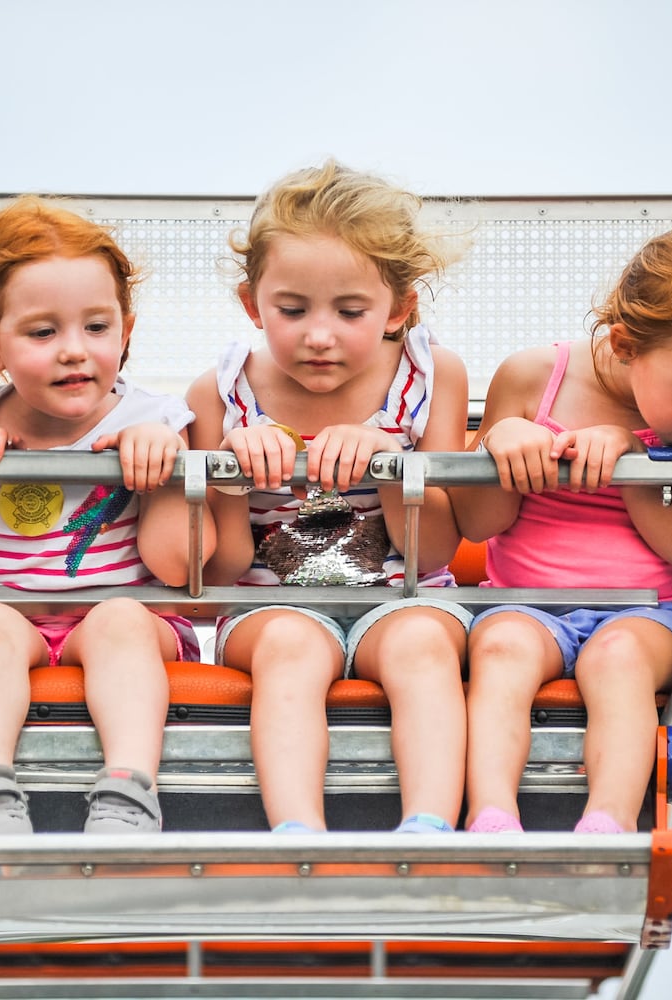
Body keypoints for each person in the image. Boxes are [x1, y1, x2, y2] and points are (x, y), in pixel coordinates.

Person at [0, 196, 215, 835]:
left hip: (129, 618)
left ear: (126, 330)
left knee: (121, 616)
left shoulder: (152, 419)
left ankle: (128, 791)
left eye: (97, 328)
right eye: (43, 332)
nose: (74, 351)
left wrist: (167, 471)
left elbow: (178, 566)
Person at [451, 220, 672, 834]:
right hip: (524, 605)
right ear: (627, 344)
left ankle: (606, 824)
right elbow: (477, 525)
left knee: (617, 658)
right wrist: (501, 447)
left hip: (651, 611)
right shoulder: (534, 379)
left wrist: (634, 464)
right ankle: (491, 815)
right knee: (499, 651)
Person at [186, 160, 471, 835]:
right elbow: (221, 569)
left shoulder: (432, 375)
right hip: (269, 600)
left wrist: (390, 467)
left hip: (405, 593)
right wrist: (227, 477)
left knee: (421, 643)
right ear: (252, 304)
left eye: (350, 312)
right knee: (289, 643)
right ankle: (295, 834)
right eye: (291, 310)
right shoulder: (217, 396)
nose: (319, 334)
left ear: (396, 309)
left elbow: (435, 547)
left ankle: (427, 829)